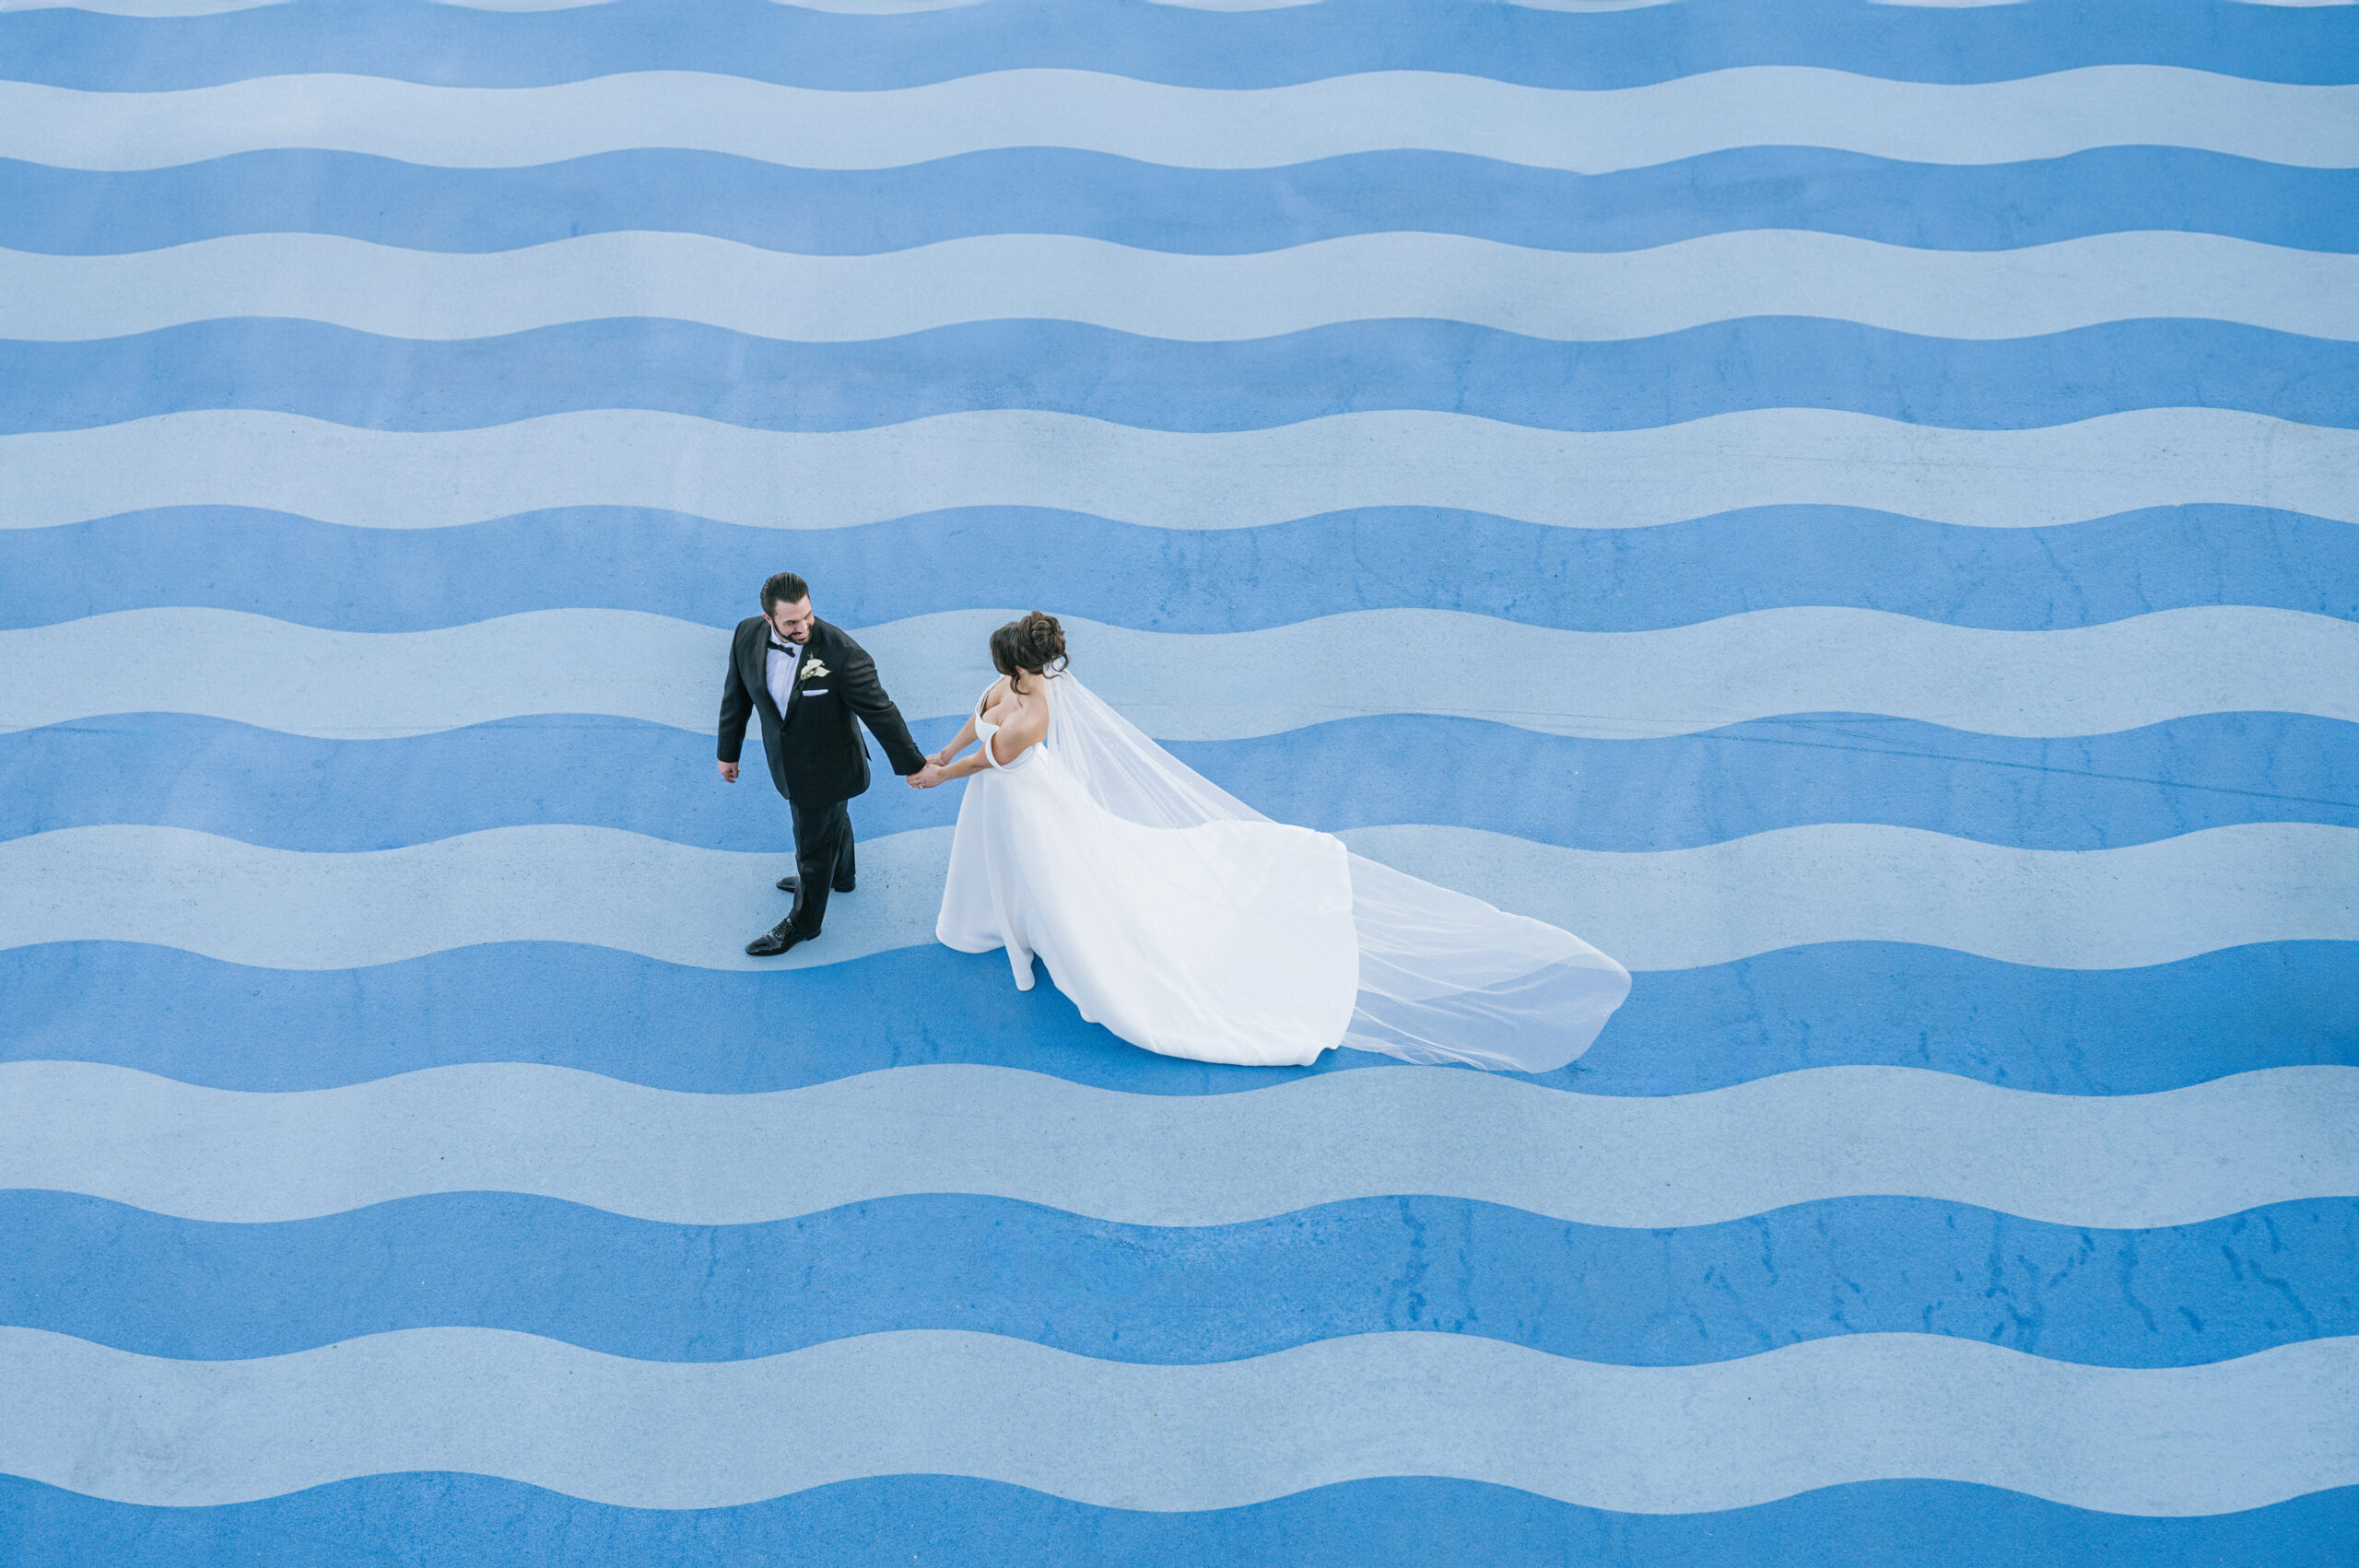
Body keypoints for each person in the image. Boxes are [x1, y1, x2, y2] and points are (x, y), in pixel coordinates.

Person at [910, 613, 1631, 1071]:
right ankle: (1004, 926)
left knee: (1064, 889)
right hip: (1003, 802)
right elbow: (973, 730)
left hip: (1029, 806)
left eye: (1012, 669)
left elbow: (991, 757)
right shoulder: (1011, 686)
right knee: (1023, 880)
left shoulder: (1035, 718)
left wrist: (944, 774)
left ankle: (1040, 938)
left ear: (1028, 669)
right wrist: (939, 756)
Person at [718, 572, 928, 956]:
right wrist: (727, 752)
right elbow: (737, 696)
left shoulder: (843, 655)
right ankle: (842, 876)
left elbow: (881, 712)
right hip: (786, 761)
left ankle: (804, 923)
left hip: (829, 766)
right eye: (791, 623)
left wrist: (912, 764)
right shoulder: (746, 635)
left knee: (811, 848)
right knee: (834, 820)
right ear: (769, 620)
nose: (804, 627)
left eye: (808, 616)